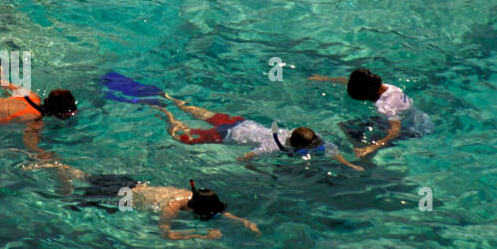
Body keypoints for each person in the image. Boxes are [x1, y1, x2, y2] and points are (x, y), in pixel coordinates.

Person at [44, 159, 260, 241]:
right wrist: (202, 236)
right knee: (70, 200)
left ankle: (58, 166)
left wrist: (242, 221)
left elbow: (215, 210)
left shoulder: (192, 196)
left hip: (129, 184)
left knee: (82, 176)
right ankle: (58, 175)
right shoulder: (172, 207)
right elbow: (166, 233)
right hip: (121, 195)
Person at [149, 92, 363, 171]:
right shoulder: (271, 147)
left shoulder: (300, 133)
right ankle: (169, 117)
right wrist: (255, 169)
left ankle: (170, 98)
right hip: (227, 135)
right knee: (183, 138)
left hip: (242, 123)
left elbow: (330, 149)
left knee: (203, 113)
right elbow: (244, 157)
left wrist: (350, 164)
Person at [309, 67, 432, 158]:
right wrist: (327, 79)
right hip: (421, 119)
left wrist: (371, 147)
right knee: (347, 125)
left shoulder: (386, 106)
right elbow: (355, 82)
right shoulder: (386, 87)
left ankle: (365, 159)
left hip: (413, 130)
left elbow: (395, 131)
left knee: (349, 132)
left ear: (369, 94)